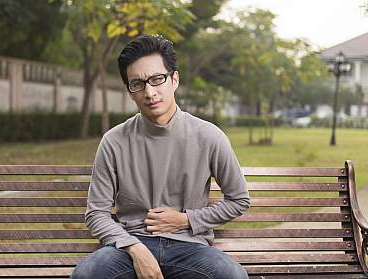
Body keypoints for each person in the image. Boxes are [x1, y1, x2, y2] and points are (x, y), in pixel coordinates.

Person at [71, 34, 250, 279]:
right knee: (87, 274)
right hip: (129, 245)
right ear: (130, 91)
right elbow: (96, 213)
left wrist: (186, 220)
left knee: (232, 276)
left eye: (157, 79)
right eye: (138, 83)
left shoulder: (209, 136)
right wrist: (135, 248)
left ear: (174, 79)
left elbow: (239, 200)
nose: (150, 92)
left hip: (191, 248)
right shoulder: (114, 141)